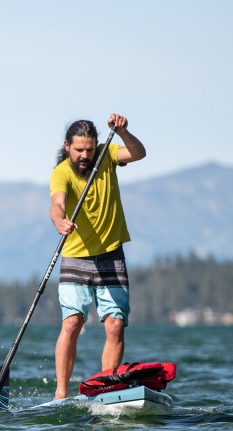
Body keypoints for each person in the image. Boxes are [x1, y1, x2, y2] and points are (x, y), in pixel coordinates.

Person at [49, 113, 146, 399]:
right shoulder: (61, 173)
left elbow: (139, 153)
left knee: (115, 324)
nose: (84, 156)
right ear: (68, 146)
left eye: (89, 150)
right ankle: (61, 393)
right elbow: (57, 204)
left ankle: (106, 390)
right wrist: (60, 222)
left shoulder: (107, 154)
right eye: (79, 150)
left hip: (111, 255)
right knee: (72, 322)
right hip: (75, 256)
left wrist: (124, 132)